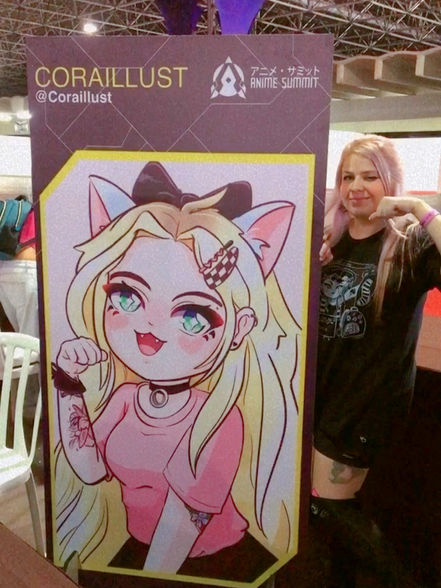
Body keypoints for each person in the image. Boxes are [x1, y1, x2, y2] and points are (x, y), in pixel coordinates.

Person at [53, 162, 300, 581]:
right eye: (128, 297)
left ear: (239, 328)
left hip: (211, 565)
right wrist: (67, 384)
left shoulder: (220, 419)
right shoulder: (126, 399)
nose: (150, 329)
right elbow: (90, 469)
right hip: (146, 557)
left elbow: (181, 527)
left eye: (191, 316)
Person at [311, 134, 441, 586]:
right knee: (331, 512)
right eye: (348, 176)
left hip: (366, 406)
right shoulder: (330, 240)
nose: (356, 187)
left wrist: (420, 209)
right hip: (324, 396)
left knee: (323, 505)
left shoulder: (409, 246)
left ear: (390, 182)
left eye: (369, 176)